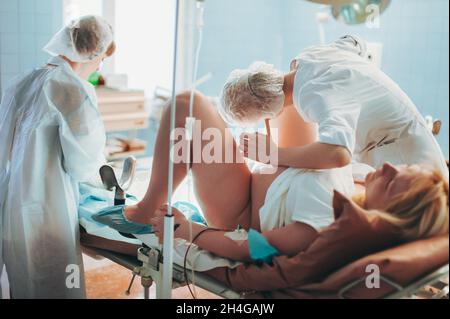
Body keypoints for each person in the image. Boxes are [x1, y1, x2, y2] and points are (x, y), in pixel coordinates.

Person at [220, 35, 449, 180]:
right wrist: (360, 84)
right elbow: (355, 42)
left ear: (268, 113)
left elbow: (338, 154)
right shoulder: (307, 58)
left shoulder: (312, 95)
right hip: (405, 138)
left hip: (408, 159)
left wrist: (273, 155)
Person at [0, 15, 115, 298]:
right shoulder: (73, 90)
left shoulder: (23, 82)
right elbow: (85, 164)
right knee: (58, 286)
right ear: (95, 52)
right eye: (103, 58)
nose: (100, 65)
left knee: (22, 285)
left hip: (11, 208)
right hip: (48, 214)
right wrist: (109, 183)